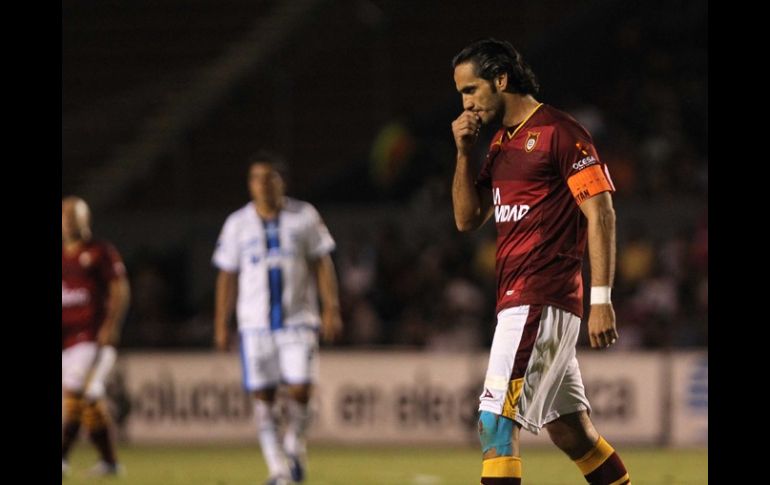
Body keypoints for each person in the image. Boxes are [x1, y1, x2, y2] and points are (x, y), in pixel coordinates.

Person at [450, 39, 631, 485]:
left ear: (502, 80)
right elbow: (466, 218)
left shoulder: (559, 133)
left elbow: (601, 210)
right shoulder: (499, 144)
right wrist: (462, 152)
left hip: (540, 298)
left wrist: (602, 298)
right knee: (571, 433)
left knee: (494, 424)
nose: (466, 102)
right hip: (522, 301)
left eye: (471, 90)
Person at [212, 152, 343, 485]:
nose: (263, 184)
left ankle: (294, 444)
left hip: (298, 321)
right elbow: (227, 276)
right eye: (257, 178)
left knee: (301, 389)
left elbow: (322, 264)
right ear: (250, 184)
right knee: (264, 398)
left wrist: (331, 308)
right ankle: (277, 469)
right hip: (254, 327)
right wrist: (220, 324)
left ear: (282, 182)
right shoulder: (236, 223)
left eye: (270, 177)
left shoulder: (304, 216)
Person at [62, 196, 130, 477]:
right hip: (67, 340)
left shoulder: (100, 252)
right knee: (90, 397)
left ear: (85, 218)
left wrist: (111, 325)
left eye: (73, 215)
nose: (67, 220)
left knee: (76, 392)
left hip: (91, 336)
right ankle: (110, 463)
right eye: (64, 215)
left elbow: (120, 289)